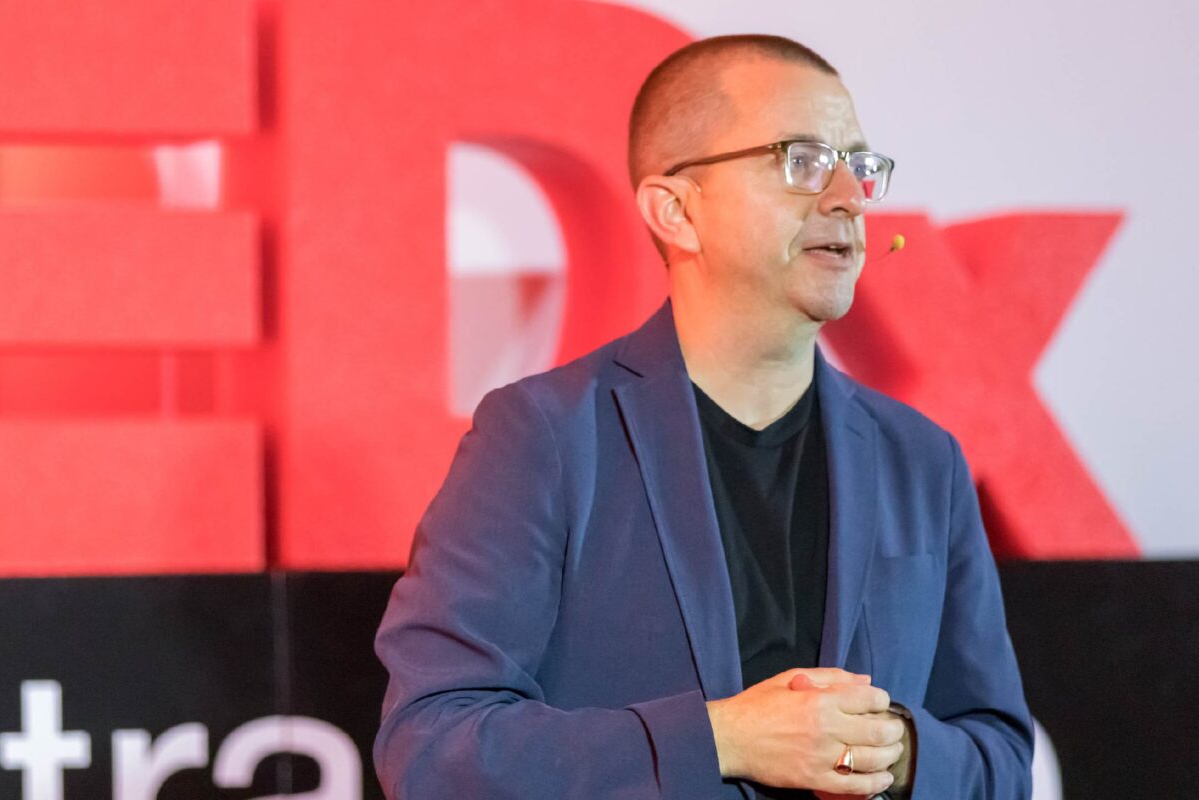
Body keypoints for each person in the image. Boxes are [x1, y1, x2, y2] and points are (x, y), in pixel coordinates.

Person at [374, 34, 1033, 799]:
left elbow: (1002, 759)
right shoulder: (545, 437)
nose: (849, 197)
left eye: (858, 165)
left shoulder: (920, 459)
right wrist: (724, 740)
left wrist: (895, 753)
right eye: (802, 160)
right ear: (676, 210)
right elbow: (431, 744)